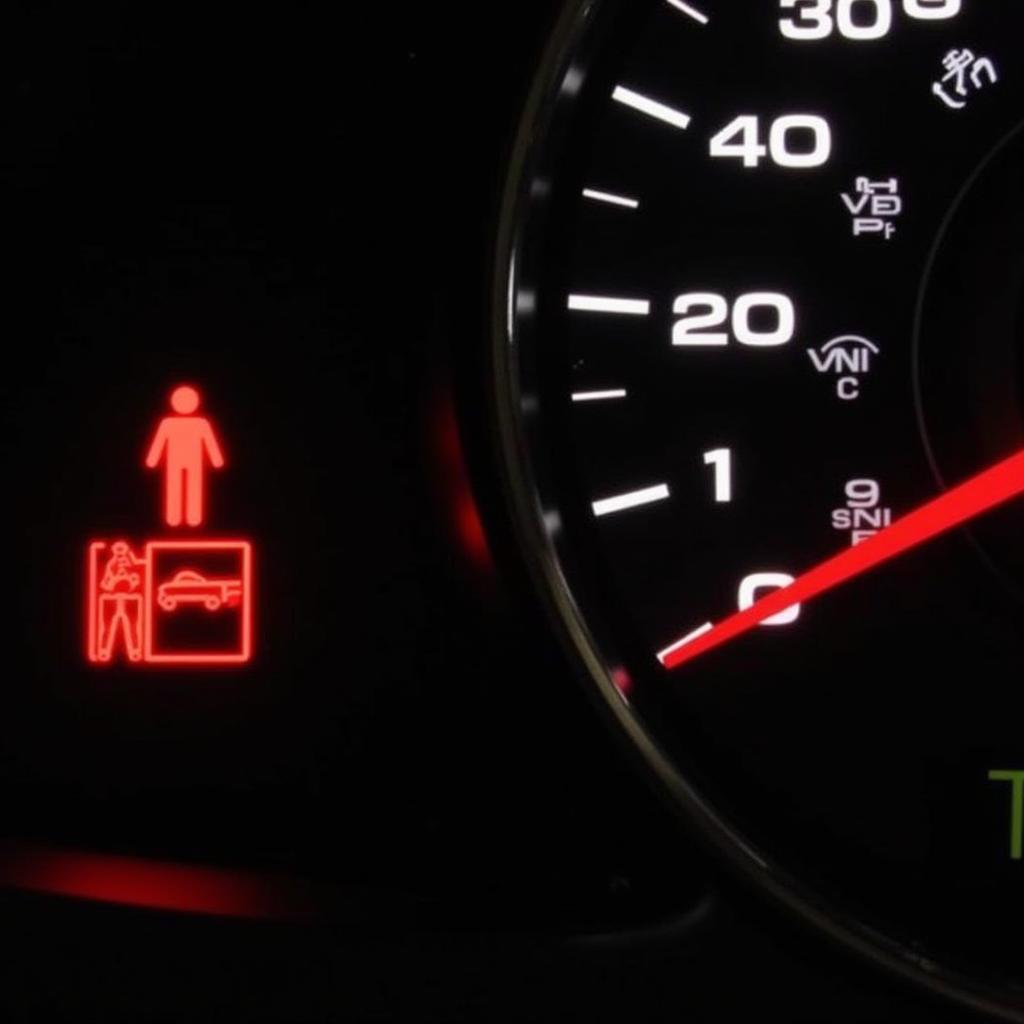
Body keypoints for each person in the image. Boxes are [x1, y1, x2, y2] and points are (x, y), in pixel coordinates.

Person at [145, 385, 225, 527]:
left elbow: (210, 442)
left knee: (193, 486)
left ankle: (193, 517)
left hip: (194, 461)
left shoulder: (201, 423)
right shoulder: (167, 423)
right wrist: (152, 459)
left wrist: (216, 459)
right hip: (174, 461)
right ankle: (174, 517)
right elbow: (159, 442)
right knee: (174, 485)